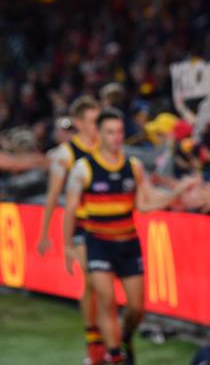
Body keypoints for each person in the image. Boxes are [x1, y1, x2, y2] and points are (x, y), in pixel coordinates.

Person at [63, 108, 197, 365]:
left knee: (136, 308)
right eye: (110, 132)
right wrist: (68, 245)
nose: (116, 137)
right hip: (98, 243)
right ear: (100, 134)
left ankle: (123, 339)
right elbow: (70, 209)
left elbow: (144, 204)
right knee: (107, 299)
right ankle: (114, 354)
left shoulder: (132, 167)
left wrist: (175, 193)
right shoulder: (84, 168)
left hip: (128, 244)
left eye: (120, 132)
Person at [36, 95, 103, 365]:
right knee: (91, 282)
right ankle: (95, 348)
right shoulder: (65, 154)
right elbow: (53, 196)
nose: (97, 125)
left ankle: (106, 344)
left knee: (103, 287)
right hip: (81, 227)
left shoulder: (106, 146)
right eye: (92, 120)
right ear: (78, 122)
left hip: (107, 224)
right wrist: (45, 235)